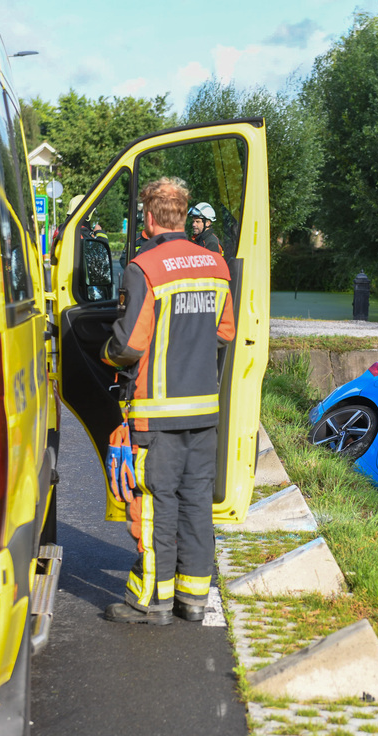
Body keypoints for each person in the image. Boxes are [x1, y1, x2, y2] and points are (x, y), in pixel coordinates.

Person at [100, 177, 236, 625]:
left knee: (155, 503)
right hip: (203, 409)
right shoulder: (216, 266)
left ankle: (151, 602)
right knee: (196, 501)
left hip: (157, 411)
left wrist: (106, 352)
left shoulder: (145, 267)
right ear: (183, 216)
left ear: (151, 217)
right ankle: (193, 599)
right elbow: (225, 332)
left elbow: (131, 344)